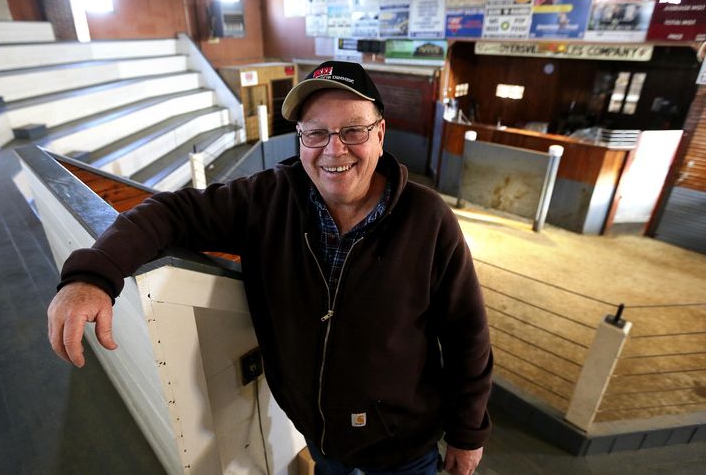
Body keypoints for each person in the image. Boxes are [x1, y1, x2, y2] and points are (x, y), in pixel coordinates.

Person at [47, 61, 493, 475]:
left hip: (406, 450)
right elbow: (171, 212)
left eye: (353, 130)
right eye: (315, 133)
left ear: (380, 134)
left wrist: (468, 433)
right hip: (323, 440)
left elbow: (466, 336)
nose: (333, 149)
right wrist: (94, 275)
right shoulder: (266, 198)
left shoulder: (429, 219)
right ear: (299, 139)